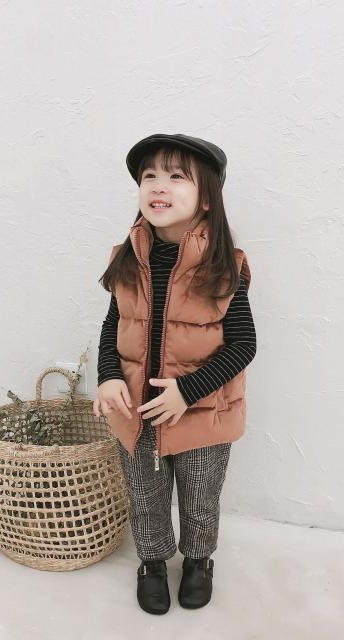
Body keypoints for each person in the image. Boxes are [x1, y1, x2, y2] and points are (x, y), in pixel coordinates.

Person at [93, 133, 257, 615]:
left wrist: (187, 391)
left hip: (202, 415)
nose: (158, 185)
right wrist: (108, 376)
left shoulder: (225, 267)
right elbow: (112, 328)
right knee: (145, 495)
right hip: (138, 413)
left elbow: (243, 345)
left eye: (176, 176)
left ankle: (199, 561)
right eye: (149, 176)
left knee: (200, 497)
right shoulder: (126, 260)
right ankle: (151, 563)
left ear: (206, 197)